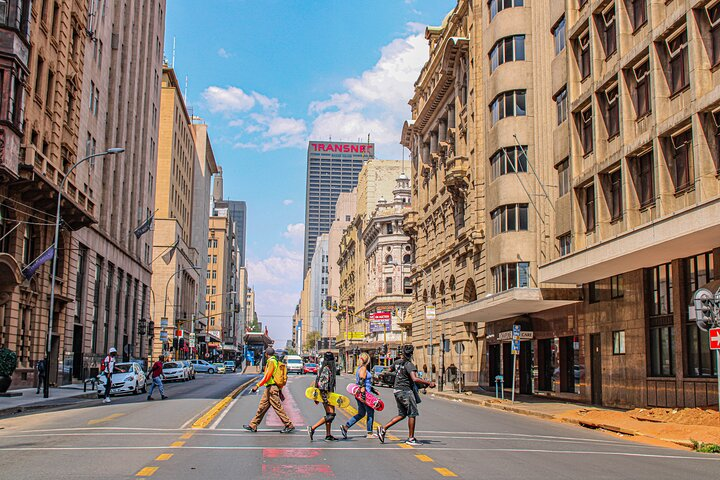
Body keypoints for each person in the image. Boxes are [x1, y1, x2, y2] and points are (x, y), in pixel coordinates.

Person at [377, 344, 435, 446]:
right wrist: (428, 383)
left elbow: (388, 371)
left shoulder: (397, 362)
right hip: (405, 391)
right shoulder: (409, 365)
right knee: (412, 414)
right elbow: (415, 379)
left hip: (396, 391)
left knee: (402, 414)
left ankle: (383, 428)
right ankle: (411, 438)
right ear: (411, 354)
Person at [243, 348, 294, 433]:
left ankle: (289, 425)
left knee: (277, 407)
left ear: (266, 354)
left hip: (272, 389)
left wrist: (257, 385)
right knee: (262, 407)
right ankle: (253, 425)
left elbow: (267, 376)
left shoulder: (271, 362)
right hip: (269, 388)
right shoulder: (275, 361)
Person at [340, 352, 376, 439]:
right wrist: (364, 396)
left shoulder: (359, 368)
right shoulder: (363, 369)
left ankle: (346, 427)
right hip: (364, 394)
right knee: (370, 412)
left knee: (361, 413)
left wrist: (373, 389)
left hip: (360, 393)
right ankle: (369, 433)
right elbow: (362, 383)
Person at [307, 352, 338, 442]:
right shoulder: (326, 369)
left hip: (329, 395)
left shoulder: (326, 369)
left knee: (329, 415)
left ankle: (328, 435)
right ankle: (312, 428)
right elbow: (322, 386)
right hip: (326, 396)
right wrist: (325, 400)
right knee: (331, 415)